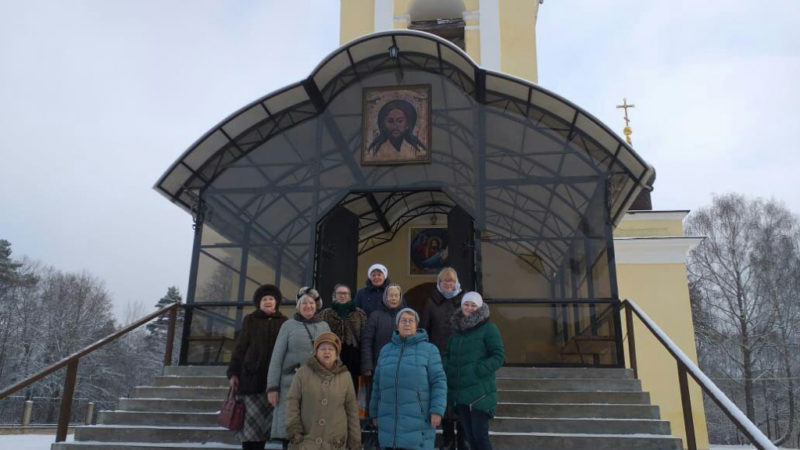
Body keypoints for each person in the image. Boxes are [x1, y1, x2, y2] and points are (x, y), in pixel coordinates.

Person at [370, 308, 447, 449]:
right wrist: (374, 412)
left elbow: (439, 382)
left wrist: (437, 410)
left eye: (411, 321)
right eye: (403, 320)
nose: (407, 323)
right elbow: (377, 384)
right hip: (388, 422)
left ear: (417, 325)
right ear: (397, 325)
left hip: (418, 420)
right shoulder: (386, 350)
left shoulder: (429, 350)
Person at [267, 287, 331, 448]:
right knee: (290, 430)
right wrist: (272, 387)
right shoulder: (288, 326)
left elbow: (333, 356)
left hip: (317, 385)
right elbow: (276, 357)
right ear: (298, 306)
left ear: (316, 306)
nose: (307, 306)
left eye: (311, 303)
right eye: (304, 303)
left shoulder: (324, 326)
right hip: (290, 385)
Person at [226, 284, 288, 450]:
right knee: (251, 432)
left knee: (277, 430)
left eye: (271, 299)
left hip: (276, 384)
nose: (268, 301)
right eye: (264, 299)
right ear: (259, 303)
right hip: (251, 381)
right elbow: (240, 348)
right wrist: (233, 373)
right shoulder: (250, 320)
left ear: (276, 303)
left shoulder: (285, 322)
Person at [443, 292, 505, 450]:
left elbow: (498, 356)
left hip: (480, 393)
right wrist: (448, 369)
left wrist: (479, 370)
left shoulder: (488, 329)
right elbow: (447, 355)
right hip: (461, 394)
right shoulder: (456, 333)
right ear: (461, 306)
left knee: (480, 437)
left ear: (479, 308)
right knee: (470, 437)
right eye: (466, 304)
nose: (469, 308)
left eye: (473, 305)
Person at [285, 332, 361, 450]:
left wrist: (355, 441)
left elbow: (352, 411)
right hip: (306, 443)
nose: (327, 352)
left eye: (331, 349)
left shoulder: (345, 376)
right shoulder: (303, 373)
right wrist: (294, 430)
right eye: (323, 348)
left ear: (336, 353)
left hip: (335, 444)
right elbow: (292, 402)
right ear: (316, 352)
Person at [419, 267, 466, 450]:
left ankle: (463, 440)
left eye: (451, 281)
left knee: (460, 399)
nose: (448, 284)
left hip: (461, 358)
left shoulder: (464, 301)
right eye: (445, 281)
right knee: (444, 398)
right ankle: (447, 440)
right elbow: (425, 329)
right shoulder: (431, 303)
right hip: (439, 358)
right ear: (439, 284)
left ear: (456, 283)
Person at [318, 283, 367, 390]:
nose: (343, 296)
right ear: (334, 295)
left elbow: (364, 338)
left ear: (350, 296)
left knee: (351, 388)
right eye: (339, 293)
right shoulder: (326, 314)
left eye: (345, 293)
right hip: (332, 356)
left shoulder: (359, 314)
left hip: (353, 357)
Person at [360, 283, 405, 377]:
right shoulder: (375, 316)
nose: (393, 298)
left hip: (402, 365)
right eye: (391, 295)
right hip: (380, 364)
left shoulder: (406, 315)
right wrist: (367, 366)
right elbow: (367, 341)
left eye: (396, 295)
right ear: (385, 297)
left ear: (400, 298)